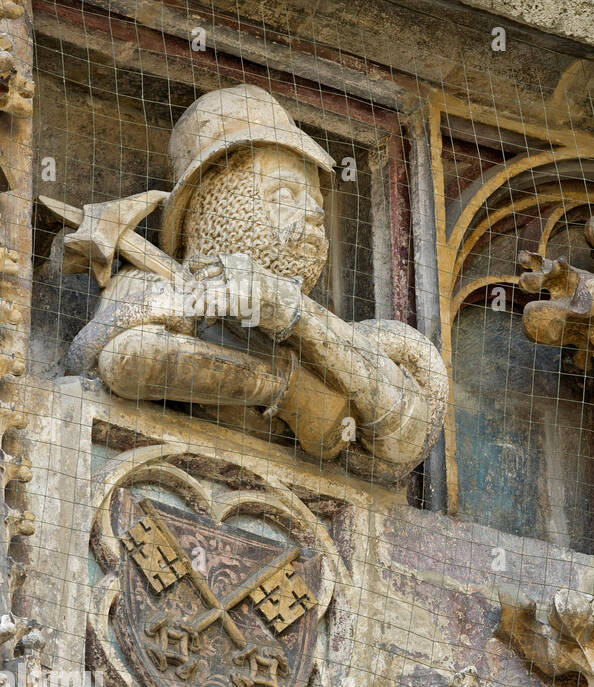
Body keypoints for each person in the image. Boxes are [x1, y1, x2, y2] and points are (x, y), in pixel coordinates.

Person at [65, 84, 446, 482]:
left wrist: (293, 313)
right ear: (215, 206)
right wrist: (282, 387)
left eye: (315, 200)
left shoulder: (330, 339)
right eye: (284, 193)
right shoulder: (149, 284)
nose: (315, 214)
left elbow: (405, 436)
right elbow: (122, 360)